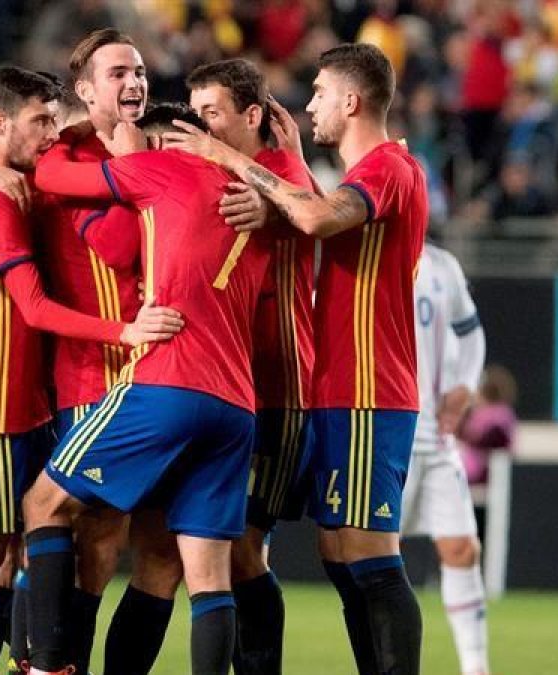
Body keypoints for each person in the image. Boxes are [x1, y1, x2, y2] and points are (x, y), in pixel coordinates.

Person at [167, 42, 429, 675]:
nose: (308, 105)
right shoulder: (370, 176)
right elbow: (321, 211)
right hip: (338, 386)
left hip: (370, 386)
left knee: (369, 559)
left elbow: (314, 221)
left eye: (317, 93)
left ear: (351, 100)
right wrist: (296, 173)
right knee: (341, 557)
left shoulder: (388, 167)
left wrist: (230, 157)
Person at [0, 66, 183, 675]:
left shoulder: (12, 180)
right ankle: (36, 664)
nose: (51, 131)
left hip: (29, 404)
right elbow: (36, 309)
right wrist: (123, 330)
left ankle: (37, 662)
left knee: (20, 552)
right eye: (41, 120)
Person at [23, 102, 273, 675]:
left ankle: (48, 667)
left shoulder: (161, 169)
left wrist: (82, 135)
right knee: (206, 576)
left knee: (43, 503)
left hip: (166, 383)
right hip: (236, 403)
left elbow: (52, 175)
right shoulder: (251, 205)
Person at [185, 58, 316, 675]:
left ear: (254, 115)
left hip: (278, 386)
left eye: (212, 112)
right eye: (197, 111)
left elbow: (313, 211)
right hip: (227, 387)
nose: (200, 124)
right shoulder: (220, 171)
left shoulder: (282, 174)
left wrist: (277, 199)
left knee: (242, 548)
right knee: (219, 547)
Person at [405, 241, 490, 675]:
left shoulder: (442, 265)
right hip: (385, 434)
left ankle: (476, 668)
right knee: (367, 559)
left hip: (436, 437)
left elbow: (470, 330)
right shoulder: (362, 250)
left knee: (461, 548)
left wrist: (467, 385)